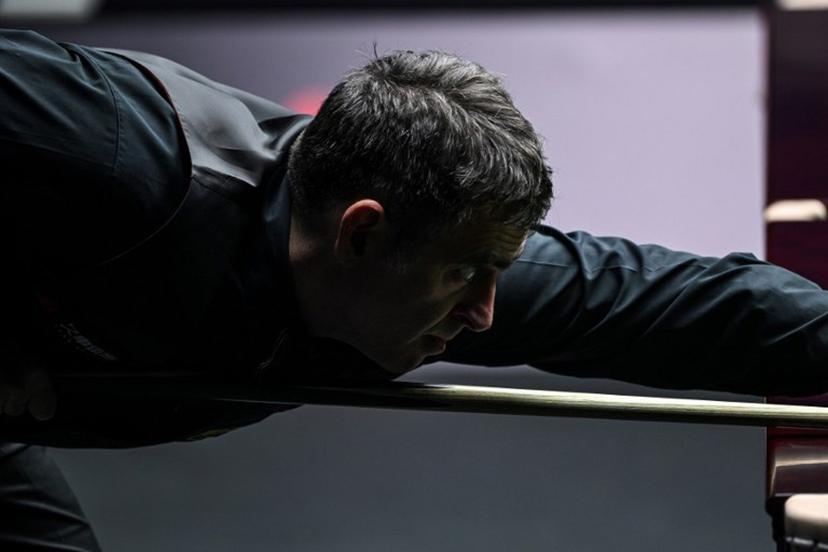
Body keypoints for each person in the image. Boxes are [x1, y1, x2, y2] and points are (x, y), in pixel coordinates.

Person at [1, 27, 827, 550]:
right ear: (361, 234)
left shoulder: (429, 269)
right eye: (468, 271)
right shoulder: (105, 145)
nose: (485, 311)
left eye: (498, 267)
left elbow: (687, 305)